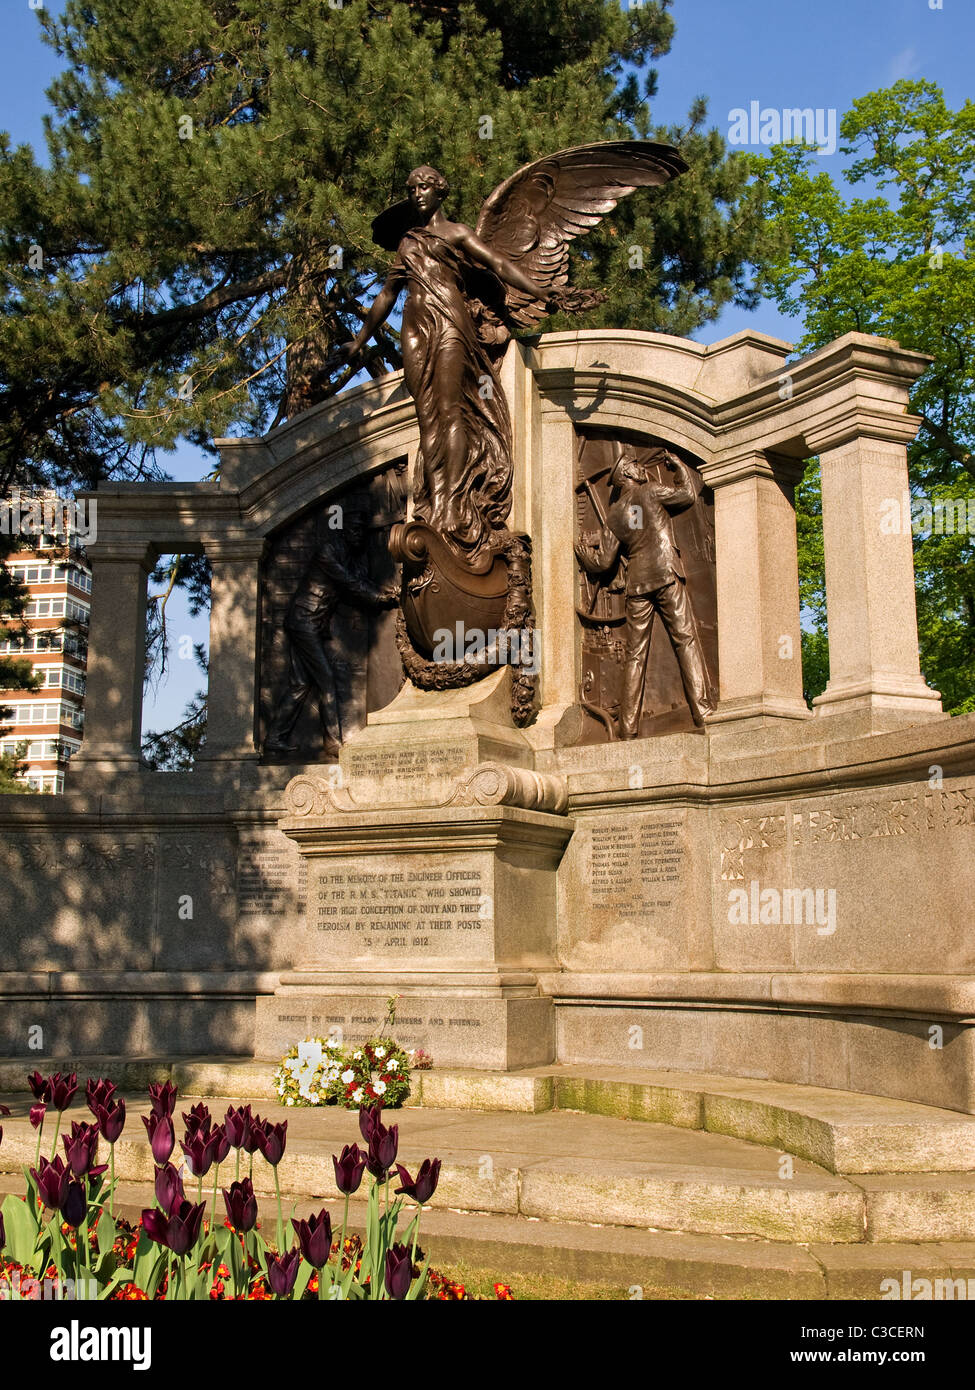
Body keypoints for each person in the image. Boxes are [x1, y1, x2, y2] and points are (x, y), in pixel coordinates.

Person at [328, 166, 561, 556]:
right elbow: (387, 295)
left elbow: (499, 266)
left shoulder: (457, 233)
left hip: (451, 321)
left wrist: (542, 291)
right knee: (427, 415)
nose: (417, 193)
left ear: (440, 192)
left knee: (450, 411)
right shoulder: (407, 242)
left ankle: (452, 504)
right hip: (414, 325)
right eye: (412, 188)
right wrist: (359, 342)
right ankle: (435, 501)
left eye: (424, 187)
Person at [575, 444, 715, 736]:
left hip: (638, 585)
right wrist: (678, 468)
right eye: (635, 465)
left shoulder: (614, 515)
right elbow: (688, 495)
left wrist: (582, 554)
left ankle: (627, 728)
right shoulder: (651, 491)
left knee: (635, 655)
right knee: (685, 640)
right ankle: (702, 713)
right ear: (627, 472)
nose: (641, 468)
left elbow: (602, 563)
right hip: (665, 574)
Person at [264, 512, 398, 758]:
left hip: (309, 623)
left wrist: (383, 591)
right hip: (304, 621)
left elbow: (359, 580)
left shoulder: (347, 553)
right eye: (355, 530)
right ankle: (333, 742)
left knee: (301, 684)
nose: (360, 536)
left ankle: (274, 738)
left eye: (362, 531)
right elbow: (349, 583)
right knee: (326, 678)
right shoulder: (329, 552)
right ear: (345, 530)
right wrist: (379, 597)